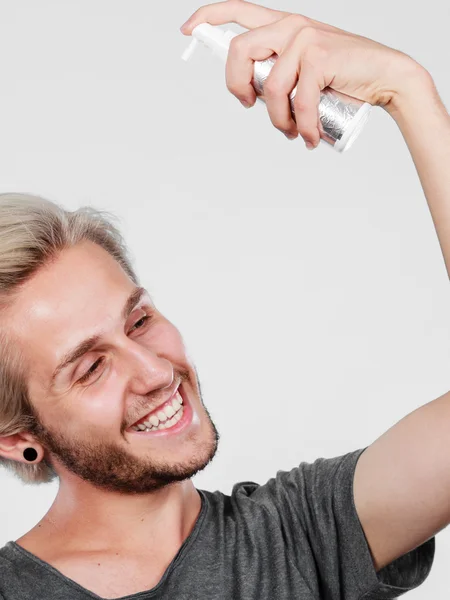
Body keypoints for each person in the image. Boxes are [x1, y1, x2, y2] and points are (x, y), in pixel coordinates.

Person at [0, 1, 448, 598]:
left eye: (138, 322)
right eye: (91, 367)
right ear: (17, 438)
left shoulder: (303, 536)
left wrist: (408, 90)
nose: (156, 371)